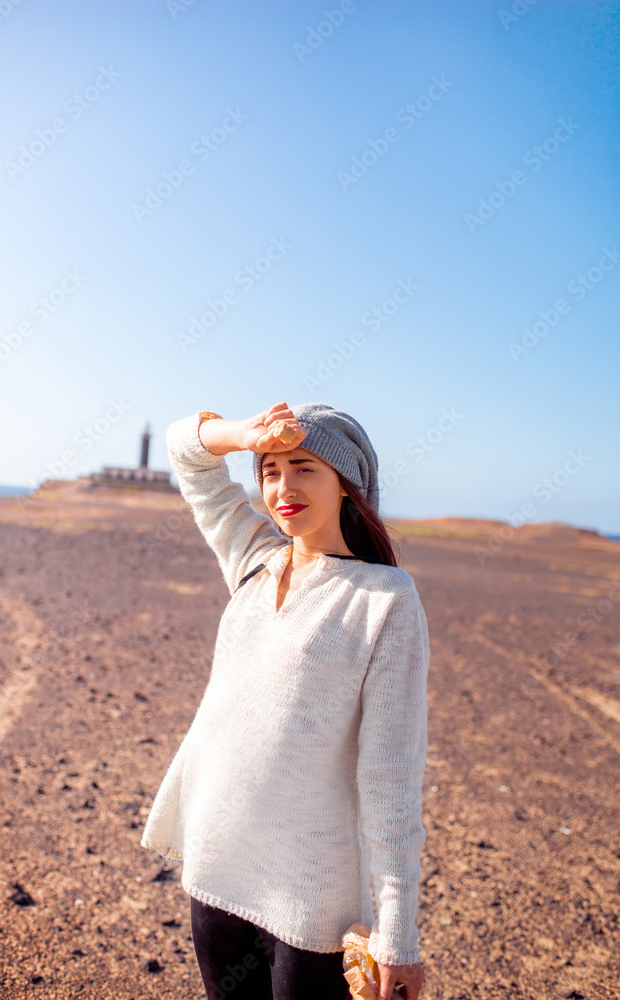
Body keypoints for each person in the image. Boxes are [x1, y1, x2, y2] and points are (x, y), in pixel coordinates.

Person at [141, 401, 429, 1000]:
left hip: (310, 893)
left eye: (305, 467)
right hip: (217, 864)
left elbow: (390, 777)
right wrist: (248, 435)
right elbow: (184, 449)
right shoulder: (253, 559)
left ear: (347, 487)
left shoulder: (385, 599)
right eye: (269, 471)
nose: (282, 487)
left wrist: (397, 934)